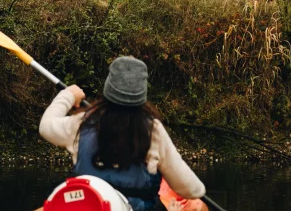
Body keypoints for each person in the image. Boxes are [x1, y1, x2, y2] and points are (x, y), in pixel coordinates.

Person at [37, 56, 206, 211]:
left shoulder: (81, 123)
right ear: (142, 95)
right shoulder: (153, 131)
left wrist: (68, 95)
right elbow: (192, 189)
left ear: (107, 88)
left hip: (88, 205)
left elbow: (46, 126)